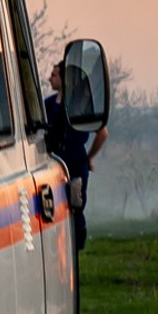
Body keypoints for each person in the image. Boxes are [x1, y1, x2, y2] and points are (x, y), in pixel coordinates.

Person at [44, 58, 106, 253]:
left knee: (75, 204)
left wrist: (89, 157)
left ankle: (76, 245)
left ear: (64, 79)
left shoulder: (80, 105)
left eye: (54, 75)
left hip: (75, 164)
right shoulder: (47, 105)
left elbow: (102, 133)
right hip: (53, 165)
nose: (50, 79)